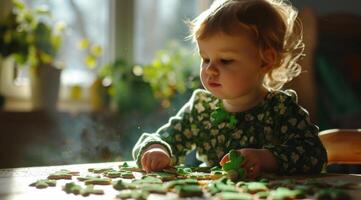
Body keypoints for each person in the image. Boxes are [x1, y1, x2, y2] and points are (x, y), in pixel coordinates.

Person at [132, 0, 327, 179]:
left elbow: (314, 154)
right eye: (205, 59)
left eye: (225, 60)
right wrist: (157, 149)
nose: (210, 70)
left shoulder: (280, 109)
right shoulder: (201, 108)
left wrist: (266, 158)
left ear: (265, 60)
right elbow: (162, 137)